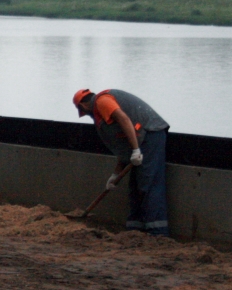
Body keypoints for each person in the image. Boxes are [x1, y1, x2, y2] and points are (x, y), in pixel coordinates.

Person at [73, 88, 170, 235]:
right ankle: (134, 230)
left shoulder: (102, 102)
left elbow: (124, 119)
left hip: (150, 134)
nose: (88, 116)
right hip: (140, 139)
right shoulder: (102, 114)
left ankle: (158, 233)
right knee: (136, 186)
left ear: (83, 106)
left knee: (148, 183)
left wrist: (136, 150)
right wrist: (115, 174)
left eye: (84, 113)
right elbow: (123, 147)